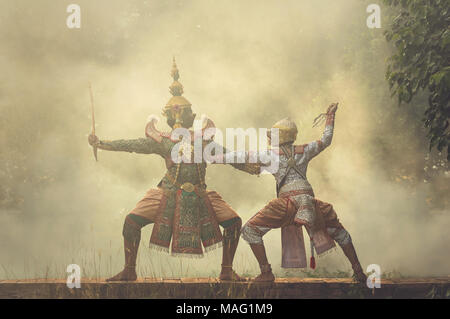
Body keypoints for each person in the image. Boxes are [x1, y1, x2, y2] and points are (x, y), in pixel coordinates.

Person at [88, 59, 258, 281]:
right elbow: (132, 145)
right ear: (169, 118)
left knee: (234, 222)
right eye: (174, 115)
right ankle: (129, 270)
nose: (177, 118)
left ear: (191, 117)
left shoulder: (204, 141)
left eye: (181, 114)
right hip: (167, 192)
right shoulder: (163, 141)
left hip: (199, 193)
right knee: (131, 221)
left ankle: (226, 271)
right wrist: (101, 142)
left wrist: (253, 167)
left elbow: (230, 157)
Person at [240, 103, 367, 283]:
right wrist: (330, 117)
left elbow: (242, 157)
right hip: (308, 203)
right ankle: (359, 271)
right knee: (339, 233)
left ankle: (266, 272)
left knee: (250, 231)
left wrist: (216, 156)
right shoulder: (304, 150)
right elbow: (326, 139)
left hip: (285, 206)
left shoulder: (270, 154)